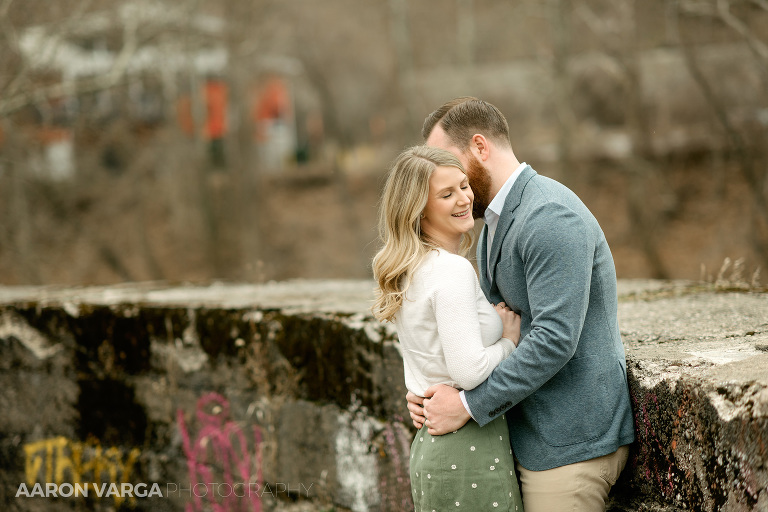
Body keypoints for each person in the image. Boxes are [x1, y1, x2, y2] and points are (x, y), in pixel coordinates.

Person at [406, 97, 636, 512]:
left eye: (446, 158)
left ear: (479, 147)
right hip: (529, 435)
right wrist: (434, 392)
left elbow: (554, 340)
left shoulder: (548, 215)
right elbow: (491, 328)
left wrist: (466, 405)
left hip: (569, 444)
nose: (441, 173)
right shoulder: (492, 222)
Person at [372, 145, 525, 511]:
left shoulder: (411, 270)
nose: (464, 199)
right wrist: (508, 340)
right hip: (468, 447)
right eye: (447, 193)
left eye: (463, 185)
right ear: (418, 210)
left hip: (433, 446)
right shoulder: (450, 271)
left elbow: (423, 364)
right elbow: (468, 371)